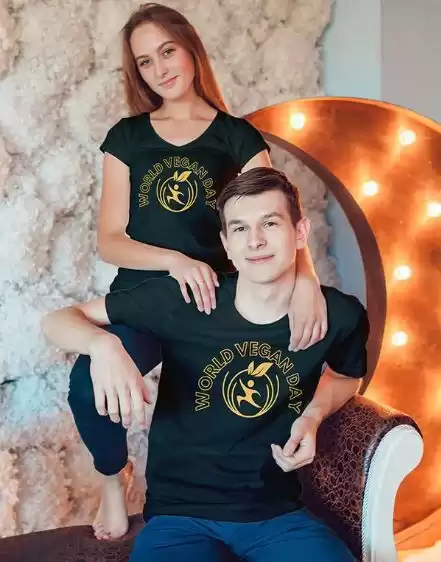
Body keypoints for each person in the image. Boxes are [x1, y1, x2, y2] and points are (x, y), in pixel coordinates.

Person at [67, 2, 328, 540]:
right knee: (86, 388)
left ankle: (238, 515)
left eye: (167, 51)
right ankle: (114, 479)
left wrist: (307, 282)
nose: (159, 68)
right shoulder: (127, 137)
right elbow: (109, 240)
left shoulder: (236, 136)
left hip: (215, 301)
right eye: (145, 62)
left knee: (223, 403)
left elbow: (279, 212)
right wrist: (174, 260)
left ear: (190, 49)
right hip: (145, 296)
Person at [43, 167, 369, 561]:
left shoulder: (341, 315)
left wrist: (313, 416)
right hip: (179, 516)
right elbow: (58, 319)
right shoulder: (189, 299)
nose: (255, 240)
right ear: (226, 244)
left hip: (278, 514)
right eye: (240, 229)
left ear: (300, 233)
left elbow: (346, 376)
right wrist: (103, 345)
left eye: (270, 223)